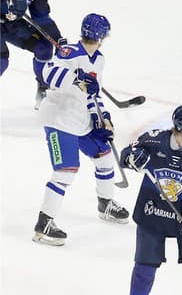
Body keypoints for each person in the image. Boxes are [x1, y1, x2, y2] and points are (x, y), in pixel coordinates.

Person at [32, 13, 129, 246]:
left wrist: (103, 118)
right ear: (102, 36)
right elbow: (47, 73)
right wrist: (75, 78)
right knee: (66, 171)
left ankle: (105, 204)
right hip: (58, 119)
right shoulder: (69, 53)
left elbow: (94, 94)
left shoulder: (99, 59)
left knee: (104, 157)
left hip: (81, 117)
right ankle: (44, 224)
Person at [121, 105, 182, 295]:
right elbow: (126, 154)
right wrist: (131, 158)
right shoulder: (154, 140)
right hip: (152, 212)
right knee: (144, 269)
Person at [1, 0, 66, 106]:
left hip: (11, 24)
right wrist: (7, 5)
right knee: (1, 60)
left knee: (45, 48)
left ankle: (43, 90)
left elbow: (41, 17)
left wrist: (59, 40)